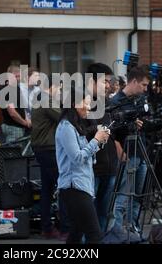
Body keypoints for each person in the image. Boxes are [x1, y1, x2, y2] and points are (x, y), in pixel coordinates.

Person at [56, 87, 110, 244]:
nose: (88, 107)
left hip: (81, 185)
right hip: (74, 187)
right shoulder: (66, 127)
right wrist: (96, 140)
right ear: (74, 104)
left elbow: (88, 158)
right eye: (85, 103)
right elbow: (78, 158)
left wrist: (100, 142)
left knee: (76, 232)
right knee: (94, 234)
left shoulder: (75, 127)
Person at [109, 66, 149, 231]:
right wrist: (119, 149)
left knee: (138, 196)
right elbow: (110, 130)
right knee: (123, 196)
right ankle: (117, 231)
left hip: (141, 152)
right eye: (144, 85)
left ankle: (134, 228)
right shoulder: (116, 102)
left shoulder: (139, 100)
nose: (146, 89)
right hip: (127, 153)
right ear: (133, 81)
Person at [31, 79, 69, 240]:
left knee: (47, 189)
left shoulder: (41, 98)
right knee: (64, 186)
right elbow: (63, 118)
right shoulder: (46, 100)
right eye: (59, 89)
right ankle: (65, 228)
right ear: (51, 87)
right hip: (48, 148)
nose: (60, 92)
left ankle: (46, 227)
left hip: (43, 147)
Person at [82, 63, 118, 232]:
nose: (108, 85)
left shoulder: (107, 103)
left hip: (110, 167)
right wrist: (95, 130)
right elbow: (76, 131)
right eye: (105, 81)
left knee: (103, 212)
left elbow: (113, 131)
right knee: (88, 215)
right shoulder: (81, 103)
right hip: (92, 168)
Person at [1, 65, 31, 144]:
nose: (17, 78)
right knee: (14, 154)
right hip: (13, 126)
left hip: (17, 126)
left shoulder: (16, 88)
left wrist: (27, 119)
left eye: (19, 76)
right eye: (15, 76)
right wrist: (24, 123)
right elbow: (12, 112)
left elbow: (21, 107)